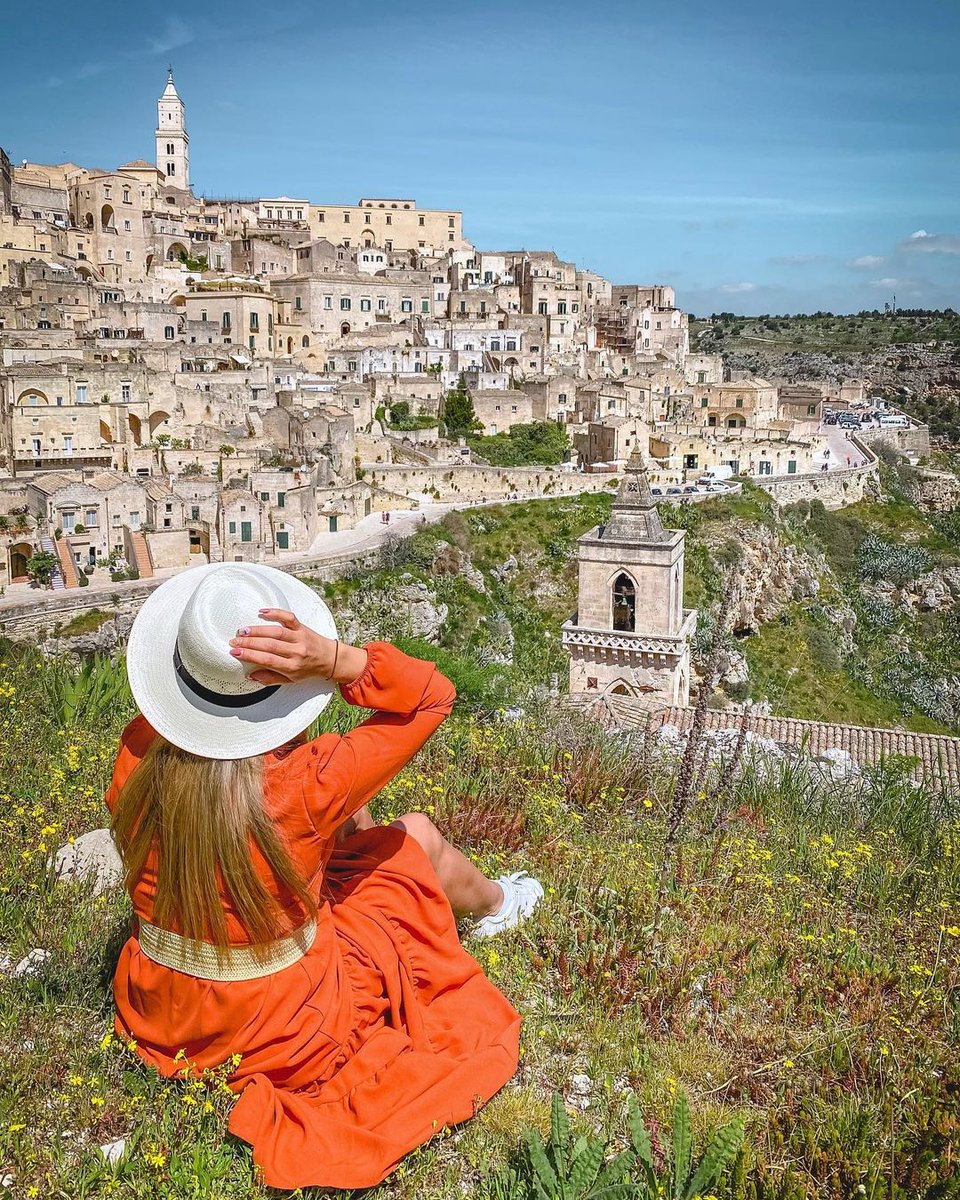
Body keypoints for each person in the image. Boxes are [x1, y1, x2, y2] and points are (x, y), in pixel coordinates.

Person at [107, 562, 542, 1191]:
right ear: (278, 678)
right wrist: (336, 660)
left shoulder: (136, 755)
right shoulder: (304, 783)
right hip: (284, 1029)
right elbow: (431, 696)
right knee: (414, 834)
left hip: (163, 1014)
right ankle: (499, 904)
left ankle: (487, 900)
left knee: (346, 820)